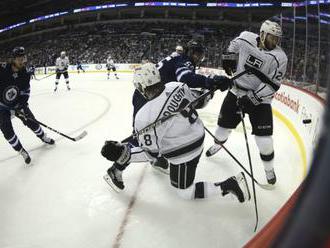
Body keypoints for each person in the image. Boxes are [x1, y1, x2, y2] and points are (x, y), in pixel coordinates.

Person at [101, 63, 251, 204]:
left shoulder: (144, 116)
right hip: (198, 136)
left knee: (185, 193)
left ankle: (230, 184)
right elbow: (200, 101)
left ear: (141, 87)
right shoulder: (176, 85)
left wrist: (123, 152)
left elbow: (152, 154)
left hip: (184, 153)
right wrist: (213, 87)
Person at [130, 39, 232, 172]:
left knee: (149, 132)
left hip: (150, 93)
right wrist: (210, 82)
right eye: (197, 53)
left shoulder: (180, 58)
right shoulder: (184, 60)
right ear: (189, 51)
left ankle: (156, 158)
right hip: (147, 95)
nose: (199, 57)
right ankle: (117, 168)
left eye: (201, 55)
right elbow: (185, 78)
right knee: (142, 134)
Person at [206, 20, 288, 185]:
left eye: (277, 39)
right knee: (222, 130)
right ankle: (218, 144)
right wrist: (228, 57)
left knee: (264, 141)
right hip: (236, 91)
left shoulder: (280, 57)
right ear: (262, 34)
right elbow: (233, 44)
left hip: (261, 101)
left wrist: (252, 98)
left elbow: (273, 85)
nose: (275, 42)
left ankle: (269, 169)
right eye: (272, 38)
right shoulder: (246, 38)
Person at [0, 47, 55, 165]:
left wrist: (21, 104)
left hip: (17, 104)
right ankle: (21, 151)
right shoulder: (3, 68)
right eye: (20, 58)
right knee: (7, 132)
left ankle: (43, 137)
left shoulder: (25, 73)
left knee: (32, 121)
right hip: (2, 107)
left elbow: (25, 92)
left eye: (24, 58)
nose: (22, 60)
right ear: (13, 59)